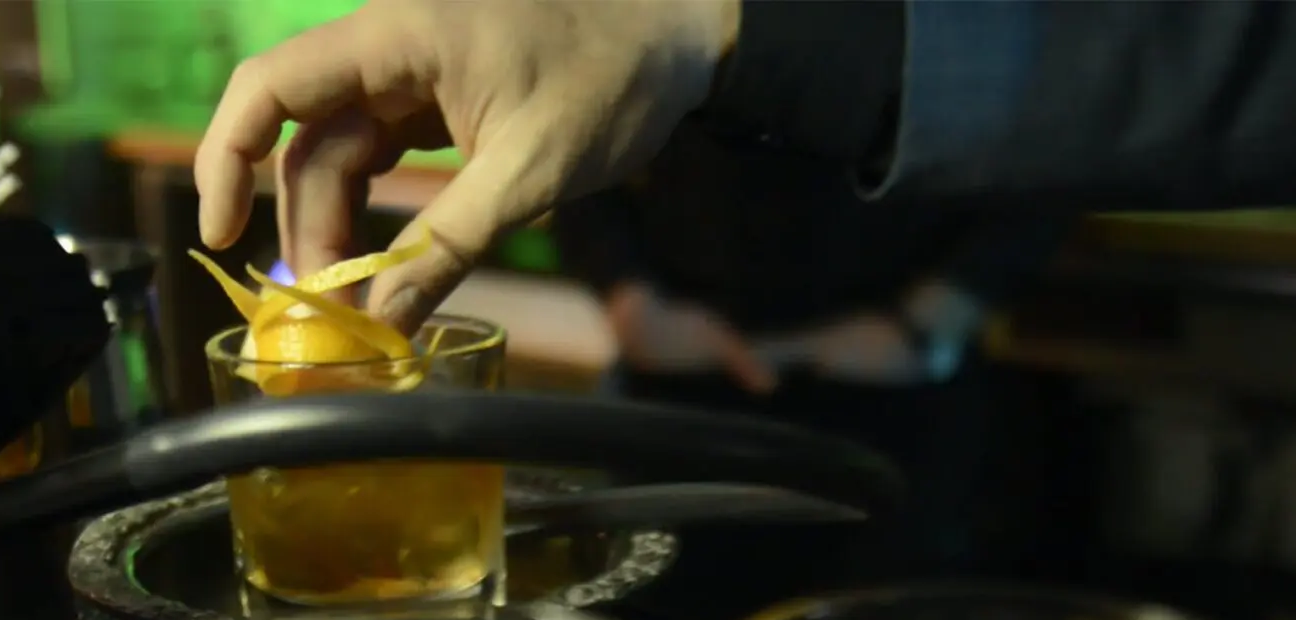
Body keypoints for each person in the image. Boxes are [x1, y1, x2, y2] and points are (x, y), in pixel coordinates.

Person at [194, 0, 1296, 335]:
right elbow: (549, 131)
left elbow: (1088, 79)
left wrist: (940, 316)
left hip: (896, 374)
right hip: (674, 364)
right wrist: (629, 299)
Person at [550, 117, 1069, 583]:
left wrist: (929, 320)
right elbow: (572, 133)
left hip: (894, 389)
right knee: (661, 607)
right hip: (678, 375)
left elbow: (1053, 148)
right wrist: (629, 296)